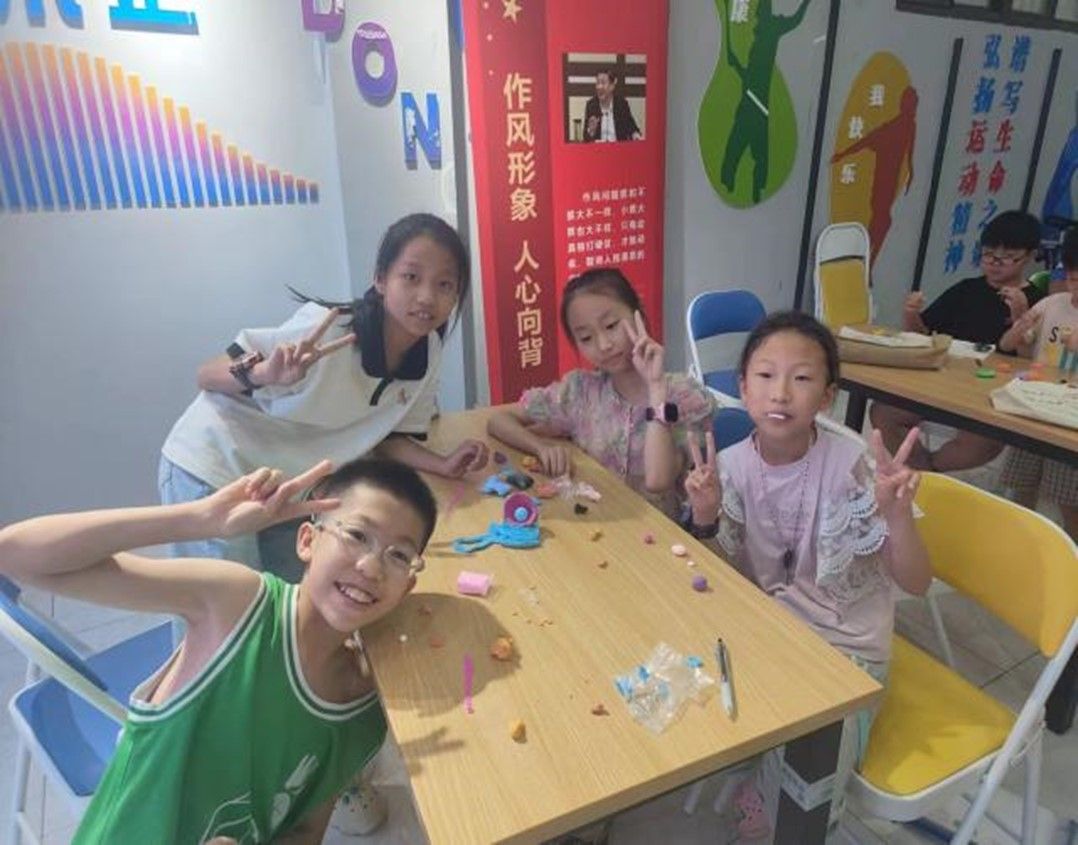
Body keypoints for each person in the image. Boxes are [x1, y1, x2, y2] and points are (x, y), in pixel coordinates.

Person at [0, 456, 437, 843]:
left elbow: (304, 832)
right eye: (357, 534)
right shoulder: (237, 605)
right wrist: (198, 519)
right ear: (307, 540)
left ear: (408, 586)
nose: (371, 567)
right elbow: (14, 555)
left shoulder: (364, 712)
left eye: (399, 556)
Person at [683, 311, 931, 841]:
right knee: (697, 695)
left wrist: (897, 516)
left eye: (801, 378)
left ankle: (782, 802)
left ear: (827, 397)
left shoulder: (854, 464)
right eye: (765, 375)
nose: (780, 393)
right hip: (772, 630)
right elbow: (724, 578)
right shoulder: (730, 466)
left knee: (806, 781)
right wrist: (705, 519)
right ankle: (758, 773)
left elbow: (917, 583)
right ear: (743, 387)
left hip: (848, 648)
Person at [159, 213, 488, 577]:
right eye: (411, 277)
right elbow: (206, 374)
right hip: (216, 468)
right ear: (380, 279)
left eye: (444, 284)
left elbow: (389, 439)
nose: (427, 297)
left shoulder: (429, 351)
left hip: (285, 487)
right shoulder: (328, 330)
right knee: (229, 602)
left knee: (296, 597)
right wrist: (264, 374)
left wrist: (442, 464)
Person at [487, 267, 714, 520]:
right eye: (586, 338)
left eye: (611, 325)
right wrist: (540, 447)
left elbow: (657, 481)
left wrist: (656, 388)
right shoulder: (580, 392)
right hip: (601, 527)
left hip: (662, 535)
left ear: (638, 314)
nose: (604, 345)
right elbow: (499, 420)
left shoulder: (685, 397)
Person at [872, 209, 1046, 471]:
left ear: (1030, 257)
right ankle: (922, 471)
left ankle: (928, 471)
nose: (995, 263)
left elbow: (1033, 360)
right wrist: (911, 314)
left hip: (992, 395)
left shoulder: (1038, 302)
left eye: (1008, 257)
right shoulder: (966, 290)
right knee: (883, 412)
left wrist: (1021, 316)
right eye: (988, 254)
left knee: (986, 441)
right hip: (943, 384)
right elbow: (924, 335)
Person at [998, 226, 1078, 541]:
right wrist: (1020, 323)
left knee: (1068, 499)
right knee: (1022, 485)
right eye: (1073, 279)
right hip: (1035, 405)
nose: (1075, 288)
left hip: (1069, 421)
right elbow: (1009, 345)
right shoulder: (1053, 304)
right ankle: (1018, 542)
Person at [583, 69, 642, 142]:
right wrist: (591, 131)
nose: (599, 87)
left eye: (603, 83)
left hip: (618, 147)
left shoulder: (621, 104)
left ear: (612, 86)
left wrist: (635, 135)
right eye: (598, 83)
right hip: (599, 148)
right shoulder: (591, 105)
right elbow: (586, 138)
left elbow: (632, 128)